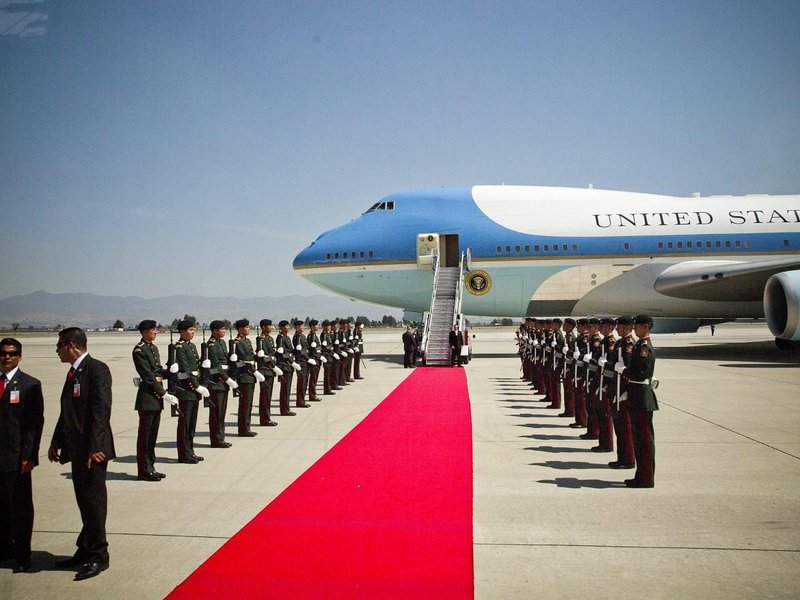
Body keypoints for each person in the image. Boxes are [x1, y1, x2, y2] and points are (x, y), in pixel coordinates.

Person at [49, 327, 115, 581]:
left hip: (92, 451)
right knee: (85, 501)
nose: (57, 351)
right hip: (77, 449)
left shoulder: (97, 369)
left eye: (59, 346)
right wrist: (57, 440)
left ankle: (99, 556)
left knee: (93, 502)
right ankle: (85, 548)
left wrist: (96, 447)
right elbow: (68, 409)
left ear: (71, 345)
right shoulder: (74, 371)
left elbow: (101, 410)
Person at [0, 337, 44, 573]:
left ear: (20, 356)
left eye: (12, 353)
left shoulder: (29, 384)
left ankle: (22, 555)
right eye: (3, 353)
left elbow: (34, 425)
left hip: (17, 458)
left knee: (20, 508)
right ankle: (4, 549)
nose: (7, 357)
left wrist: (29, 456)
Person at [615, 314, 659, 488]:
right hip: (636, 394)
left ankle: (646, 478)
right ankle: (641, 476)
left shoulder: (644, 347)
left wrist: (624, 371)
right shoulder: (640, 345)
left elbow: (640, 373)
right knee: (639, 440)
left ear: (646, 326)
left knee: (644, 441)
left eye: (637, 326)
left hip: (641, 395)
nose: (634, 329)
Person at [132, 320, 176, 481]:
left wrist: (169, 371)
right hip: (147, 397)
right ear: (144, 332)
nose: (155, 332)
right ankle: (144, 470)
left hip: (155, 397)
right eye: (152, 330)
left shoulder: (153, 348)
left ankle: (150, 467)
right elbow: (148, 376)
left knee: (152, 437)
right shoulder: (139, 350)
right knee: (145, 436)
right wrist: (163, 393)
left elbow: (157, 372)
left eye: (155, 329)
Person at [172, 320, 210, 463]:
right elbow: (185, 371)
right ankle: (183, 454)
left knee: (192, 423)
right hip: (186, 389)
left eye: (194, 330)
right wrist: (196, 386)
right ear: (182, 332)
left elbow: (195, 368)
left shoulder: (191, 346)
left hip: (193, 390)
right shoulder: (179, 347)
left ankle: (190, 451)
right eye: (190, 330)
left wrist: (203, 366)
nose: (193, 332)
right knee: (185, 423)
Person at [205, 321, 238, 446]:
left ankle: (220, 437)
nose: (224, 331)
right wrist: (227, 379)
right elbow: (216, 366)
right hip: (217, 382)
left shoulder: (222, 342)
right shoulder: (211, 344)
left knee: (222, 412)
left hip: (223, 381)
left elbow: (225, 362)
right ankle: (216, 439)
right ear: (214, 331)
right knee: (216, 412)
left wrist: (232, 358)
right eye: (222, 329)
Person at [232, 319, 261, 436]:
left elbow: (251, 357)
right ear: (240, 329)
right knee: (245, 403)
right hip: (244, 375)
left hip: (250, 375)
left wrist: (259, 356)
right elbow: (245, 359)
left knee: (249, 403)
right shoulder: (237, 342)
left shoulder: (247, 341)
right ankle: (243, 429)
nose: (248, 329)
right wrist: (255, 371)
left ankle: (246, 427)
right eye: (246, 327)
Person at [256, 319, 279, 426]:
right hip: (265, 370)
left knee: (268, 396)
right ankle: (264, 419)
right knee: (265, 396)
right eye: (269, 325)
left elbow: (271, 354)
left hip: (270, 369)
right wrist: (273, 366)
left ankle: (267, 417)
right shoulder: (260, 339)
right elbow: (263, 357)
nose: (271, 327)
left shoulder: (269, 338)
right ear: (264, 327)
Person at [275, 320, 297, 416]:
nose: (288, 327)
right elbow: (282, 354)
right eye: (287, 326)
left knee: (287, 388)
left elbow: (289, 351)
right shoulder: (280, 337)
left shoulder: (287, 337)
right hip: (285, 365)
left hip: (289, 365)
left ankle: (286, 408)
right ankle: (284, 409)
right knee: (285, 389)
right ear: (282, 327)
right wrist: (291, 362)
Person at [292, 319, 311, 408]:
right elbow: (300, 351)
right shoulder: (297, 337)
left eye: (303, 326)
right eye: (301, 326)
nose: (303, 327)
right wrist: (308, 358)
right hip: (301, 361)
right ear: (297, 327)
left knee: (305, 381)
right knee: (301, 383)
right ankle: (300, 401)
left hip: (305, 361)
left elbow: (305, 349)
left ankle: (302, 400)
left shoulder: (302, 336)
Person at [306, 319, 322, 401]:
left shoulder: (314, 335)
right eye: (316, 325)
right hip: (314, 359)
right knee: (313, 378)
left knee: (315, 378)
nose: (318, 326)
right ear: (312, 326)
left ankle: (313, 394)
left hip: (317, 358)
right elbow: (312, 350)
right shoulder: (311, 336)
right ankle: (312, 395)